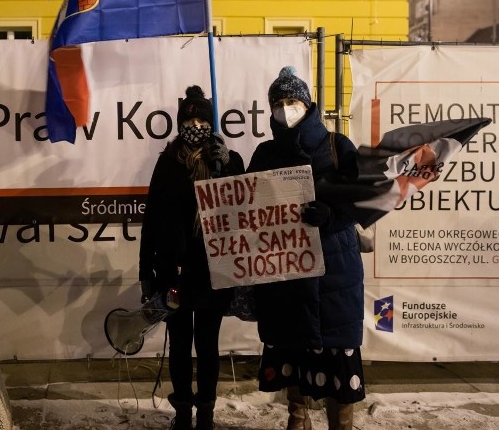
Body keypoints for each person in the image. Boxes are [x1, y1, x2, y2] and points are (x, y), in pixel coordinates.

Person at [246, 66, 365, 430]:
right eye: (278, 102)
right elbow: (246, 208)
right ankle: (297, 420)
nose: (286, 107)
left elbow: (362, 198)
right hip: (285, 274)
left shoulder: (337, 145)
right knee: (291, 353)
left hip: (334, 274)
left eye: (293, 99)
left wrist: (331, 215)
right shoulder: (265, 153)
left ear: (308, 103)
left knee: (338, 366)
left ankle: (340, 425)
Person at [139, 85, 245, 430]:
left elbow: (244, 209)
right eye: (190, 117)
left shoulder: (226, 159)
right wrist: (146, 270)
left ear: (211, 122)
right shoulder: (168, 162)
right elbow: (151, 218)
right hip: (173, 271)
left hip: (214, 269)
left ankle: (207, 413)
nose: (195, 124)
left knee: (208, 345)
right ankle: (183, 412)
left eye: (202, 118)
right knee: (181, 345)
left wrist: (226, 167)